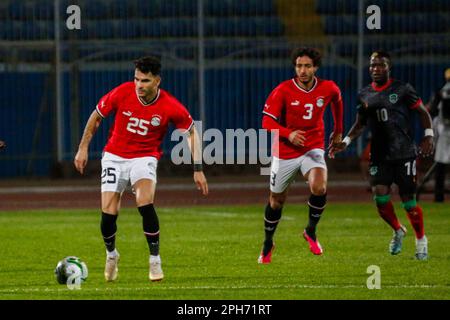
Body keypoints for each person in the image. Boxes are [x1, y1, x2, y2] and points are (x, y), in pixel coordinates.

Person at [74, 56, 208, 282]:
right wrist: (82, 148)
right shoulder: (122, 92)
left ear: (157, 81)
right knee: (109, 213)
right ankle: (111, 254)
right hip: (114, 156)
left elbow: (192, 133)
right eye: (136, 79)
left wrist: (198, 168)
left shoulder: (170, 105)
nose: (138, 85)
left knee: (145, 203)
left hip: (144, 157)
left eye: (144, 81)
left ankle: (155, 260)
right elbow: (96, 116)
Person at [329, 51, 434, 260]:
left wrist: (428, 136)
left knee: (408, 201)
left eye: (380, 65)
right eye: (372, 65)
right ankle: (397, 230)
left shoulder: (403, 89)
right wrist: (346, 142)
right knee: (380, 197)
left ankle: (421, 240)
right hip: (379, 154)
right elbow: (360, 124)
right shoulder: (364, 94)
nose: (375, 69)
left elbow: (422, 112)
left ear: (389, 67)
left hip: (404, 152)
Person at [258, 47, 344, 263]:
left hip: (312, 146)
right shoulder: (283, 90)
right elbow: (266, 122)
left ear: (315, 67)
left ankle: (310, 231)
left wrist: (339, 129)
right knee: (277, 201)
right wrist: (289, 133)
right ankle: (268, 242)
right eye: (299, 66)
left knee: (319, 187)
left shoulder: (328, 88)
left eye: (307, 66)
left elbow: (337, 100)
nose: (302, 70)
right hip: (285, 151)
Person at [428, 68, 450, 202]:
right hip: (445, 129)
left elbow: (433, 109)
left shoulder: (441, 91)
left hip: (444, 130)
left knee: (440, 164)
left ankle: (439, 195)